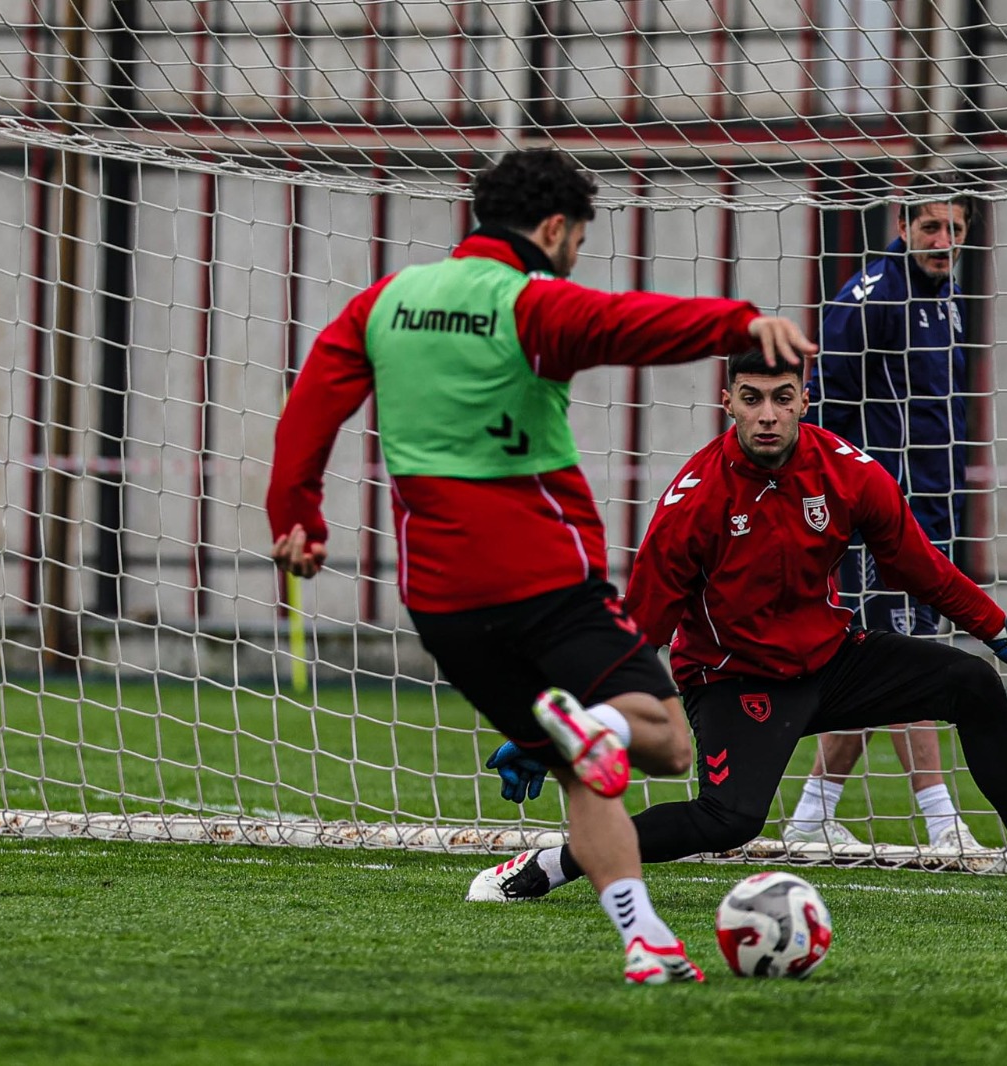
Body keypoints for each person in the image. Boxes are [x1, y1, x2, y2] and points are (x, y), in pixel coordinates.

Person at [265, 148, 816, 984]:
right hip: (542, 576)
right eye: (579, 240)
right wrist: (737, 324)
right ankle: (599, 727)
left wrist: (297, 517)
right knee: (664, 745)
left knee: (578, 770)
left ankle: (646, 941)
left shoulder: (385, 303)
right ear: (555, 230)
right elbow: (629, 323)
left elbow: (312, 403)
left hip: (442, 600)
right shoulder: (530, 305)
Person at [467, 351, 1007, 913]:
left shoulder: (848, 474)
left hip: (832, 658)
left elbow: (927, 573)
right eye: (753, 397)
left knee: (969, 682)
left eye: (782, 397)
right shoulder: (693, 503)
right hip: (734, 678)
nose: (767, 414)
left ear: (804, 400)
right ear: (727, 399)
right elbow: (637, 633)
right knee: (729, 821)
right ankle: (557, 862)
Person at [785, 184, 981, 854]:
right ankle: (942, 821)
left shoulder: (945, 300)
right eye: (929, 227)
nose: (941, 242)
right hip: (878, 512)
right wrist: (833, 501)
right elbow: (824, 402)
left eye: (953, 229)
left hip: (929, 506)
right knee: (912, 659)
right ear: (902, 225)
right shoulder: (872, 297)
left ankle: (812, 815)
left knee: (880, 661)